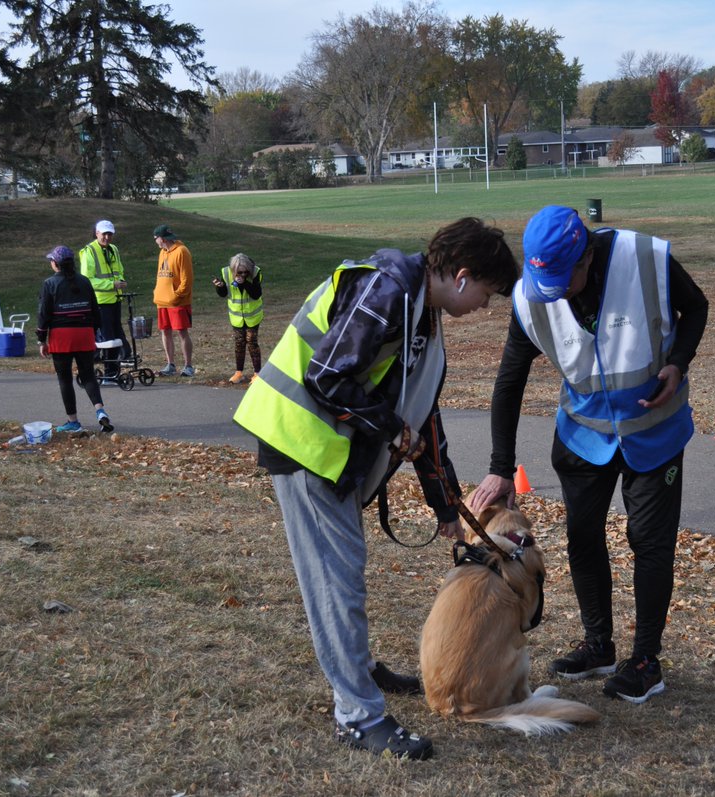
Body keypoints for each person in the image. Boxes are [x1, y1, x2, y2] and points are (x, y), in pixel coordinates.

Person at [233, 217, 518, 760]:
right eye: (488, 293)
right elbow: (329, 376)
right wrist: (391, 429)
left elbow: (424, 418)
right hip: (302, 445)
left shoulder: (423, 316)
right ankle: (358, 716)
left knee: (346, 572)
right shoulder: (387, 288)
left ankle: (360, 672)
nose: (486, 305)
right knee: (337, 582)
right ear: (462, 276)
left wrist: (445, 506)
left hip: (330, 452)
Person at [470, 205, 709, 705]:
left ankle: (646, 661)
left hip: (653, 432)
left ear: (586, 256)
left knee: (649, 541)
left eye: (566, 279)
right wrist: (500, 466)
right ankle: (598, 644)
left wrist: (678, 364)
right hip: (583, 434)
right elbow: (509, 381)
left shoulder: (645, 258)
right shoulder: (532, 297)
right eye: (546, 283)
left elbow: (697, 308)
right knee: (582, 536)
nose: (556, 293)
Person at [36, 246, 114, 433]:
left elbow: (43, 314)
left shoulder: (50, 284)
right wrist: (91, 330)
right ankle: (100, 411)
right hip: (84, 333)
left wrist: (41, 339)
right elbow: (96, 312)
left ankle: (73, 421)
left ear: (55, 264)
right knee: (88, 375)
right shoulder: (85, 281)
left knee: (65, 379)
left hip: (62, 336)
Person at [79, 219, 129, 380]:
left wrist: (120, 281)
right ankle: (109, 372)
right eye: (104, 234)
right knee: (107, 337)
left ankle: (114, 369)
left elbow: (118, 269)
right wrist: (111, 285)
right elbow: (88, 280)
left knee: (115, 335)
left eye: (110, 234)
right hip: (100, 301)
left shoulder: (113, 249)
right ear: (97, 233)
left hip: (115, 298)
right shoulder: (89, 251)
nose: (107, 237)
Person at [211, 253, 263, 384]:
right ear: (233, 269)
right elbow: (224, 294)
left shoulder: (256, 273)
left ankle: (258, 373)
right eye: (240, 272)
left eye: (246, 272)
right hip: (236, 316)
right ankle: (238, 373)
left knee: (252, 341)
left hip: (252, 315)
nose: (243, 274)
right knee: (239, 343)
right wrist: (220, 286)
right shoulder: (226, 272)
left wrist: (244, 283)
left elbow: (256, 294)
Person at [152, 223, 194, 377]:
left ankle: (188, 366)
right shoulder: (162, 252)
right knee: (165, 332)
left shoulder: (182, 251)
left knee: (182, 333)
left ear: (161, 238)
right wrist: (157, 292)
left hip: (177, 302)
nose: (155, 241)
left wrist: (177, 296)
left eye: (156, 238)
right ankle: (170, 364)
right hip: (162, 301)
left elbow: (187, 280)